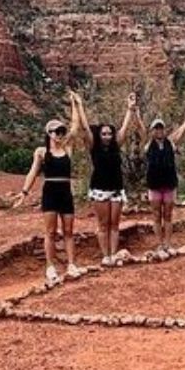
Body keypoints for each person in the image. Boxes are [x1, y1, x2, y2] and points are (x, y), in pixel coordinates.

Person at [12, 107, 85, 285]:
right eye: (56, 132)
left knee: (68, 231)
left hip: (65, 192)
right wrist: (24, 193)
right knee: (50, 232)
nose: (60, 134)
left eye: (61, 131)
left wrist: (75, 104)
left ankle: (71, 264)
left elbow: (75, 127)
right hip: (50, 192)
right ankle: (50, 267)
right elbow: (33, 173)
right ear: (49, 133)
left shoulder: (67, 148)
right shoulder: (41, 152)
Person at [122, 92, 185, 253]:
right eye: (156, 128)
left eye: (161, 127)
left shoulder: (170, 142)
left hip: (169, 184)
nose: (159, 130)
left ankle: (168, 243)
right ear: (152, 130)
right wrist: (135, 111)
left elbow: (183, 129)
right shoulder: (148, 144)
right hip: (154, 185)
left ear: (164, 129)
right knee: (156, 215)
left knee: (168, 215)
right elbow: (141, 128)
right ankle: (160, 242)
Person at [70, 89, 125, 265]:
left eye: (109, 134)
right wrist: (79, 106)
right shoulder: (94, 147)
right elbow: (85, 128)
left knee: (115, 224)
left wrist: (131, 110)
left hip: (116, 188)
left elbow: (125, 128)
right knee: (103, 223)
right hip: (100, 189)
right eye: (104, 134)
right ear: (99, 135)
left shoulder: (117, 146)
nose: (107, 136)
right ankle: (105, 255)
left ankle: (114, 254)